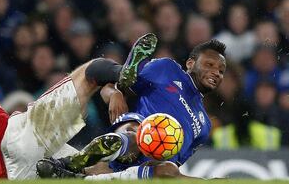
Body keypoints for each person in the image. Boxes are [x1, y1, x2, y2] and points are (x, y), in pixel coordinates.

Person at [0, 33, 158, 179]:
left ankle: (135, 173)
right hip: (17, 137)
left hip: (18, 175)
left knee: (94, 171)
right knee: (91, 71)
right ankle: (123, 75)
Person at [36, 39, 227, 180]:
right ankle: (72, 162)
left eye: (221, 70)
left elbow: (173, 167)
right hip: (136, 131)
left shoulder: (204, 126)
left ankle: (76, 174)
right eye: (209, 65)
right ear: (191, 63)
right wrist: (116, 94)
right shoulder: (167, 69)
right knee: (138, 133)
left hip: (148, 167)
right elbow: (109, 87)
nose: (216, 73)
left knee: (169, 171)